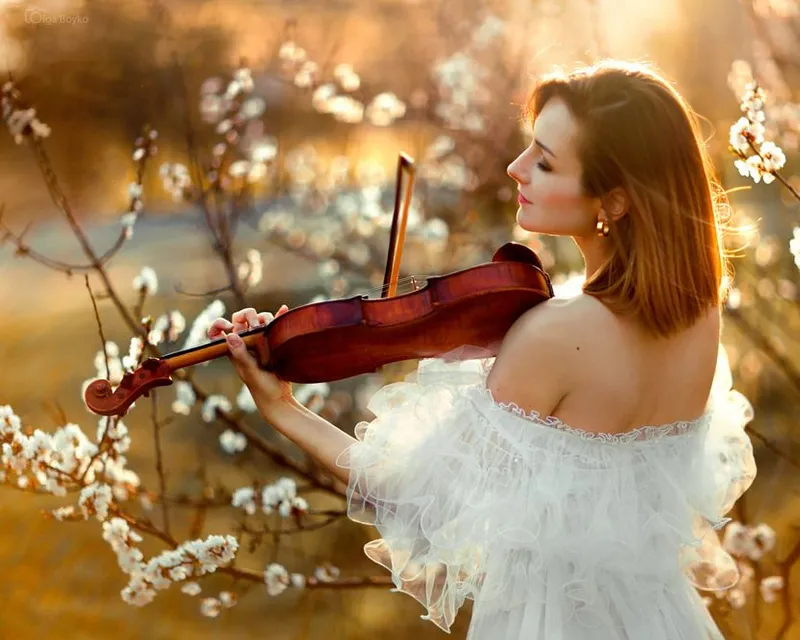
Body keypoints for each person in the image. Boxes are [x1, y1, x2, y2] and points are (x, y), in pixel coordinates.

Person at [208, 60, 757, 639]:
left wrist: (281, 408)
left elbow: (410, 496)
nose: (515, 168)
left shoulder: (554, 333)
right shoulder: (699, 312)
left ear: (615, 203)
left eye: (544, 162)